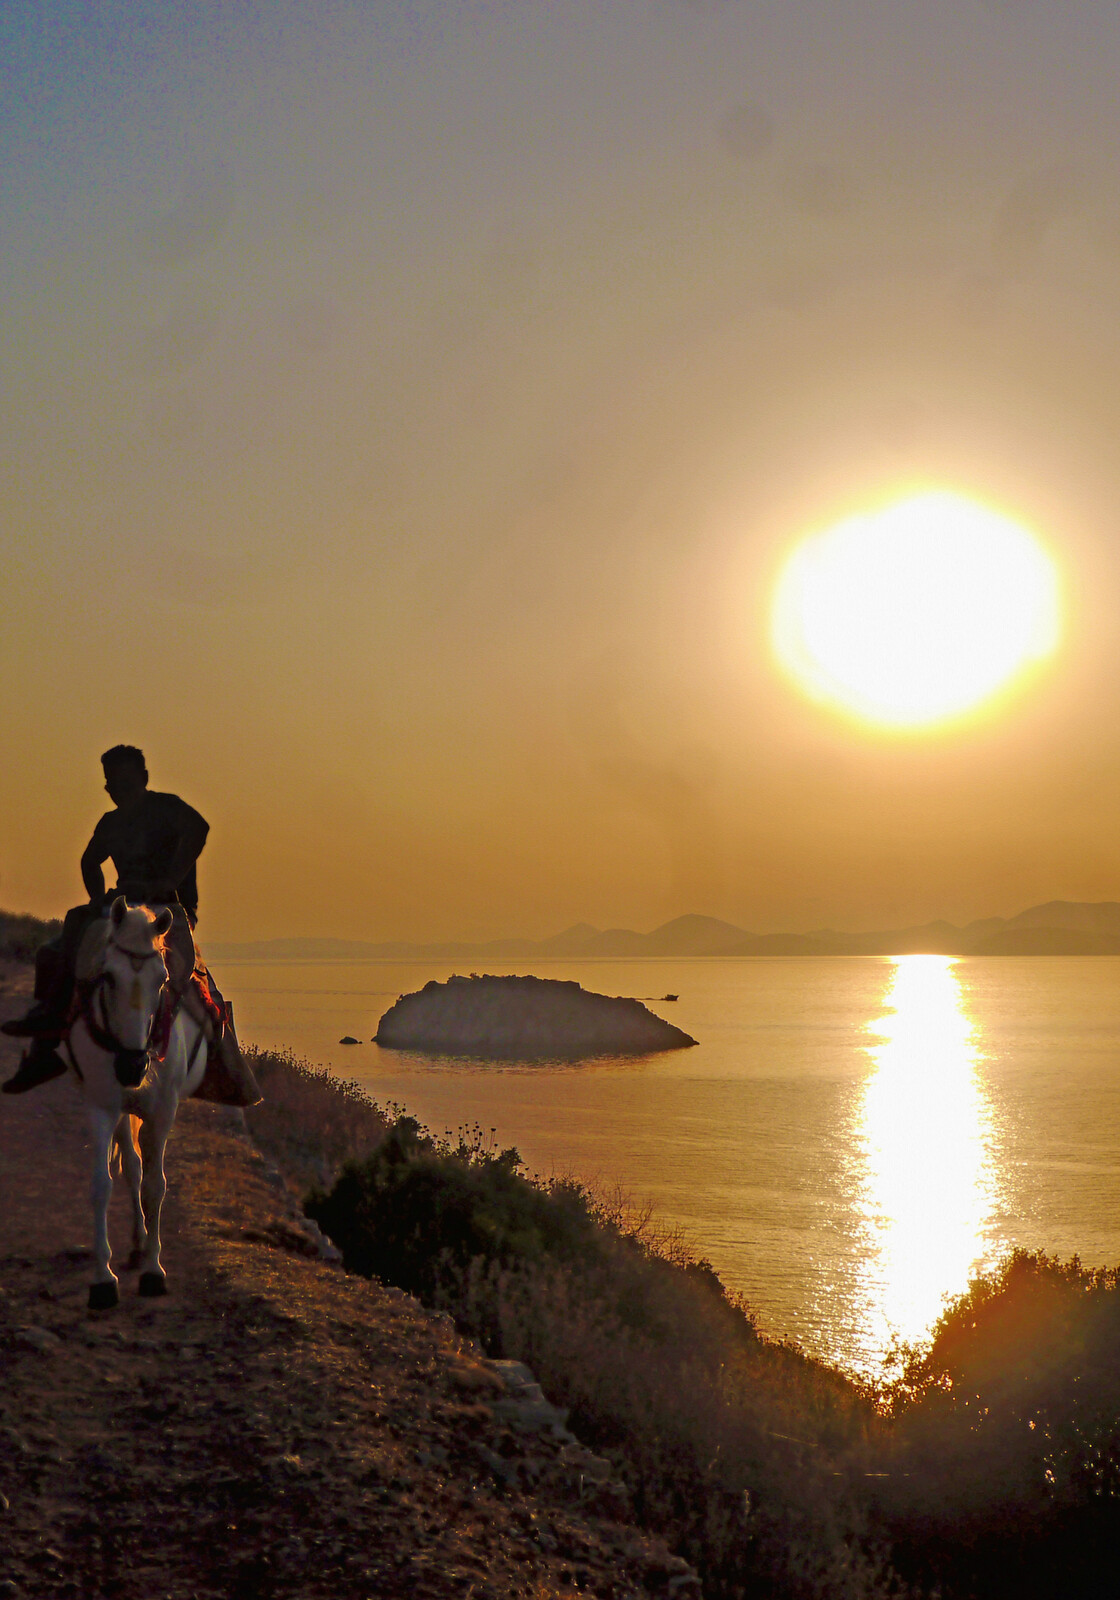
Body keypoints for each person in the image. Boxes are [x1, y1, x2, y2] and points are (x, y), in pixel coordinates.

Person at [2, 745, 210, 1094]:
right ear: (107, 789)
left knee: (179, 970)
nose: (119, 793)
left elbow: (200, 829)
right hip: (124, 906)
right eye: (113, 787)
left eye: (127, 785)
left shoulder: (167, 808)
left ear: (144, 779)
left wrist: (171, 880)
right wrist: (98, 898)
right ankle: (48, 1034)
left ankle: (189, 1048)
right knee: (57, 947)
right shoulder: (110, 823)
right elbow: (89, 861)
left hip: (168, 907)